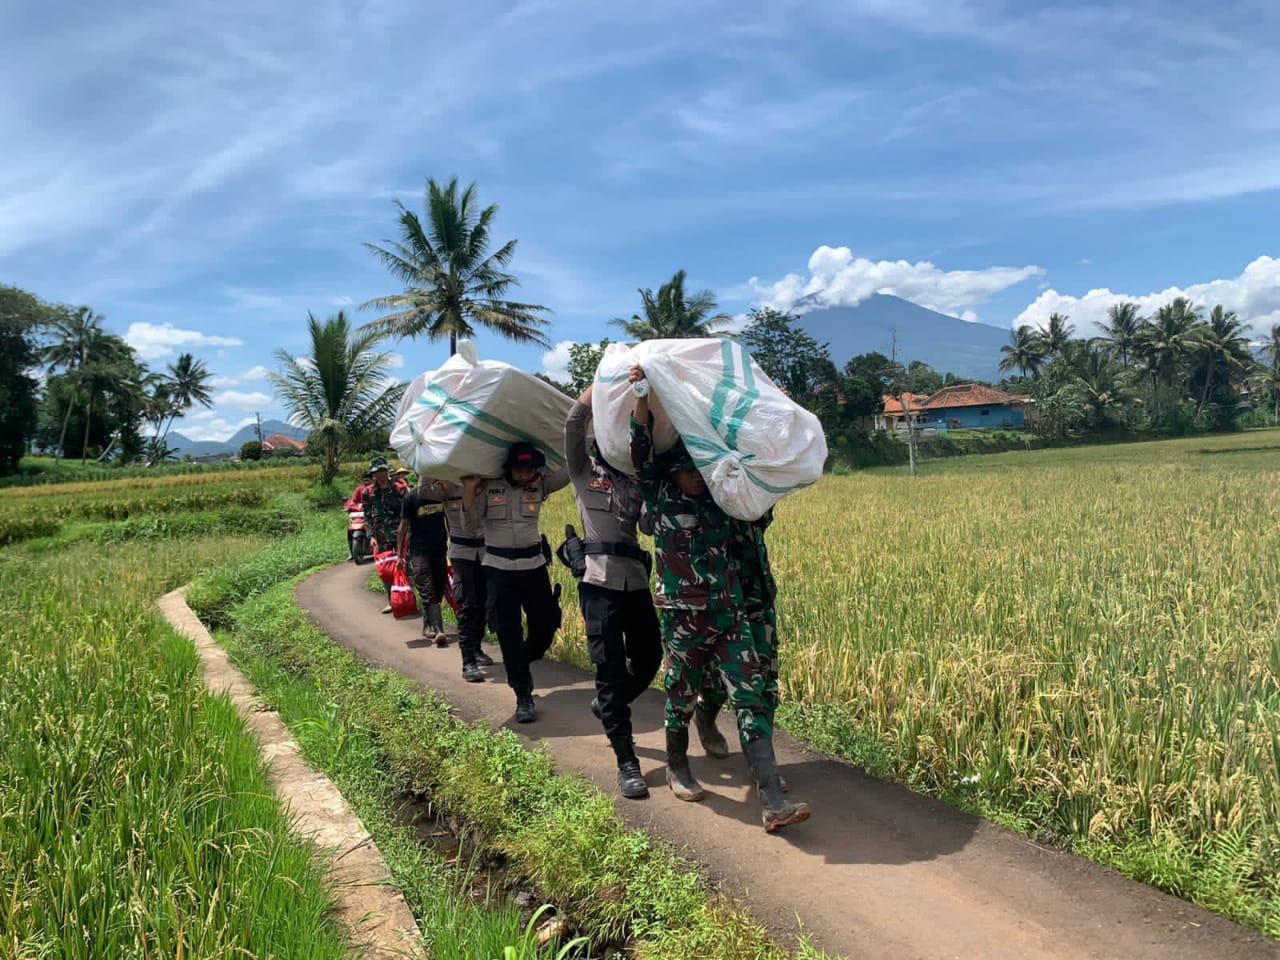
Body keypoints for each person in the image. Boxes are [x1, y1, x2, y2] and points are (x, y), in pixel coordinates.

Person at [629, 364, 809, 832]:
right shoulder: (660, 493)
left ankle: (771, 800)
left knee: (751, 693)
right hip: (683, 615)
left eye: (700, 470)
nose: (695, 478)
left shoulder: (722, 499)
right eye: (688, 470)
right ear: (673, 471)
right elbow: (641, 449)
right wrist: (643, 394)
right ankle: (676, 765)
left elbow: (759, 469)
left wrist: (778, 413)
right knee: (681, 694)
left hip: (729, 612)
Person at [564, 384, 662, 800]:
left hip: (635, 582)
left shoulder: (635, 482)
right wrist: (596, 391)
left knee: (650, 657)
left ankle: (610, 703)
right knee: (609, 670)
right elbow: (572, 427)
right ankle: (627, 762)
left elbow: (645, 528)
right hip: (599, 584)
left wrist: (654, 497)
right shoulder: (584, 474)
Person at [465, 442, 569, 723]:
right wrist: (469, 491)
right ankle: (523, 695)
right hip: (499, 569)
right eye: (520, 470)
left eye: (531, 470)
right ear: (509, 467)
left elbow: (571, 470)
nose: (526, 476)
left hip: (533, 566)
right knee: (508, 631)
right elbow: (471, 523)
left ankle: (519, 662)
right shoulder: (488, 486)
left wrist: (579, 435)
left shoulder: (540, 485)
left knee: (545, 626)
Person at [443, 481, 494, 682]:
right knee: (467, 604)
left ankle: (477, 647)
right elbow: (425, 494)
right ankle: (468, 662)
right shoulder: (448, 484)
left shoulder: (488, 480)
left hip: (486, 550)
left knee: (484, 603)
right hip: (461, 551)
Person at [397, 477, 450, 645]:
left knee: (439, 588)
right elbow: (403, 526)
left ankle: (428, 624)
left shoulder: (442, 496)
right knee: (427, 589)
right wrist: (399, 555)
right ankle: (439, 630)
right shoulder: (411, 498)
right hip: (419, 550)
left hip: (439, 549)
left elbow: (450, 520)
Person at [362, 457, 409, 614]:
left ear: (388, 471)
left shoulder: (398, 488)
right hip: (381, 535)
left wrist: (409, 531)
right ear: (373, 474)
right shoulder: (368, 492)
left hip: (400, 533)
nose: (381, 474)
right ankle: (391, 600)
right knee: (386, 569)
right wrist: (371, 536)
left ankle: (408, 597)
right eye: (377, 472)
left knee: (406, 564)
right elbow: (367, 516)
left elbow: (407, 513)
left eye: (383, 471)